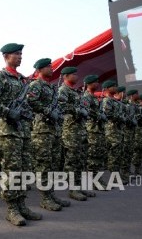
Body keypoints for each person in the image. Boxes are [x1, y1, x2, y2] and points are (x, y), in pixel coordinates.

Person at [0, 43, 41, 226]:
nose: (20, 57)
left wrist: (27, 113)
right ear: (6, 56)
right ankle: (11, 209)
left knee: (25, 170)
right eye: (16, 54)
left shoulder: (23, 80)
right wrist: (8, 112)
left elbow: (29, 105)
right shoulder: (0, 77)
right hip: (8, 133)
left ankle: (22, 205)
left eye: (21, 54)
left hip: (23, 132)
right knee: (12, 172)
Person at [28, 58, 71, 210]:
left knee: (53, 164)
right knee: (43, 165)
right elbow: (30, 101)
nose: (51, 68)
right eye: (48, 66)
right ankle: (44, 197)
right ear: (40, 69)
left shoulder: (52, 87)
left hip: (54, 130)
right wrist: (47, 111)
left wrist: (57, 114)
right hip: (42, 131)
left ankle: (51, 194)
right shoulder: (35, 85)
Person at [58, 66, 94, 201]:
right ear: (66, 76)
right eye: (73, 74)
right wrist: (78, 111)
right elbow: (61, 106)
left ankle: (78, 186)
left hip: (80, 130)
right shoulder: (63, 90)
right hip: (70, 131)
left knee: (80, 160)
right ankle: (73, 189)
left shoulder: (76, 91)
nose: (77, 76)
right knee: (72, 161)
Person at [82, 74, 107, 188]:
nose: (97, 84)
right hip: (91, 130)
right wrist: (98, 115)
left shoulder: (94, 97)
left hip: (97, 130)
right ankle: (94, 181)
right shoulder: (86, 96)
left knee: (97, 156)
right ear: (89, 84)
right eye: (95, 82)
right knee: (92, 157)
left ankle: (97, 179)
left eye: (97, 82)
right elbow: (86, 111)